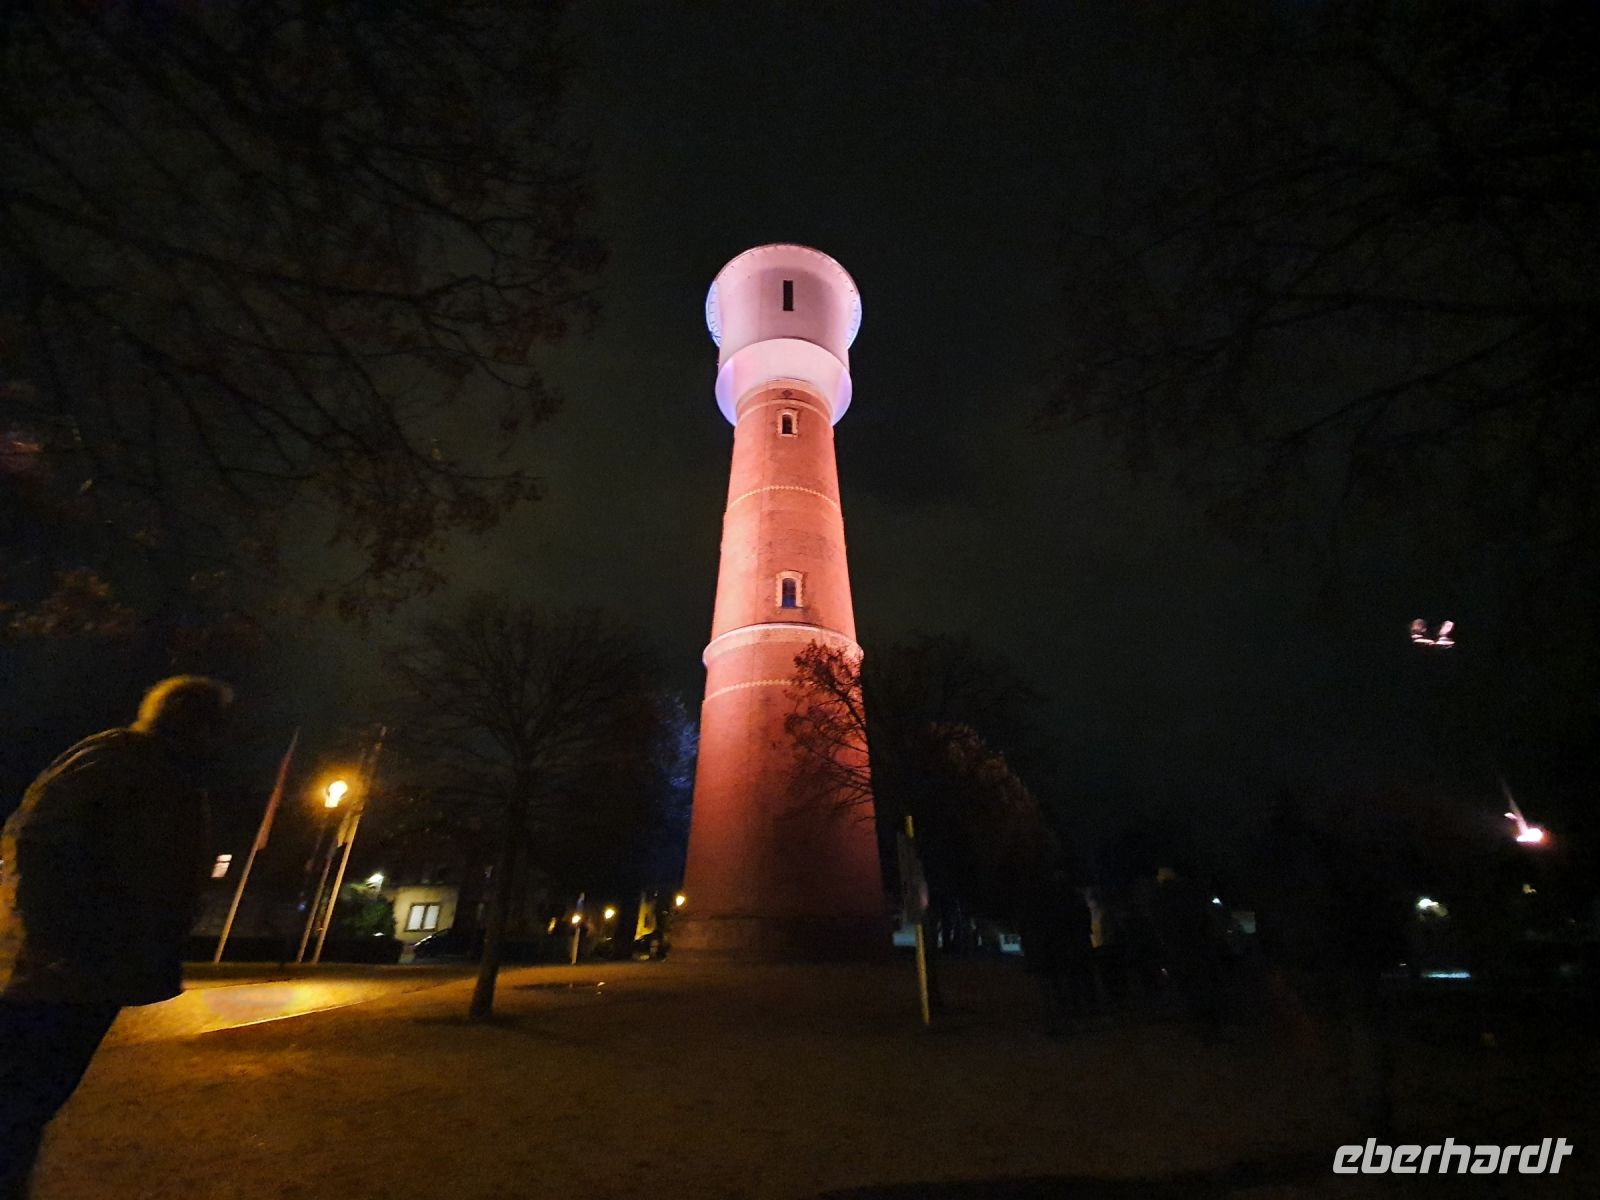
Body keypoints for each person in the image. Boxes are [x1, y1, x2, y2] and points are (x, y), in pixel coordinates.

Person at [0, 676, 233, 1198]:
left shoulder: (156, 771)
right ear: (194, 722)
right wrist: (54, 941)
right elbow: (41, 843)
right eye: (216, 724)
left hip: (91, 967)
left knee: (30, 1101)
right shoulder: (127, 763)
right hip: (65, 969)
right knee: (20, 1100)